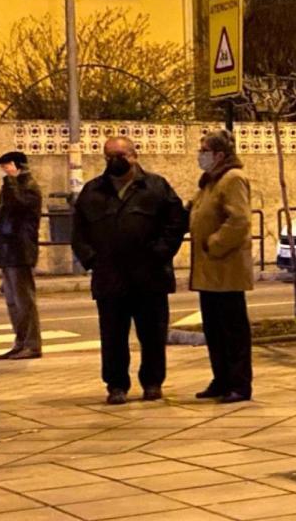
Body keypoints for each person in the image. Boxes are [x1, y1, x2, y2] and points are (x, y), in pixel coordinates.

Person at [72, 137, 187, 405]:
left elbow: (176, 223)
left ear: (134, 156)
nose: (115, 160)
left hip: (150, 276)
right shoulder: (92, 191)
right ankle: (116, 385)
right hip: (110, 278)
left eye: (121, 154)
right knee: (113, 336)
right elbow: (79, 233)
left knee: (153, 335)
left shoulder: (156, 187)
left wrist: (160, 252)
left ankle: (153, 382)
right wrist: (93, 260)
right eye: (109, 155)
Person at [190, 130, 255, 404]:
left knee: (232, 329)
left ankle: (239, 383)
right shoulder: (210, 182)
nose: (200, 154)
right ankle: (222, 378)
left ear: (219, 154)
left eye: (204, 149)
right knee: (214, 329)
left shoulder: (232, 179)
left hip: (225, 267)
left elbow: (239, 220)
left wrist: (214, 243)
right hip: (208, 270)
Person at [0, 152, 43, 360]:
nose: (4, 170)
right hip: (8, 249)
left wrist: (11, 181)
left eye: (7, 166)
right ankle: (20, 342)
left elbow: (18, 207)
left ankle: (31, 344)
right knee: (13, 301)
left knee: (24, 301)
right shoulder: (10, 187)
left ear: (18, 165)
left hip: (21, 250)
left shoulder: (28, 187)